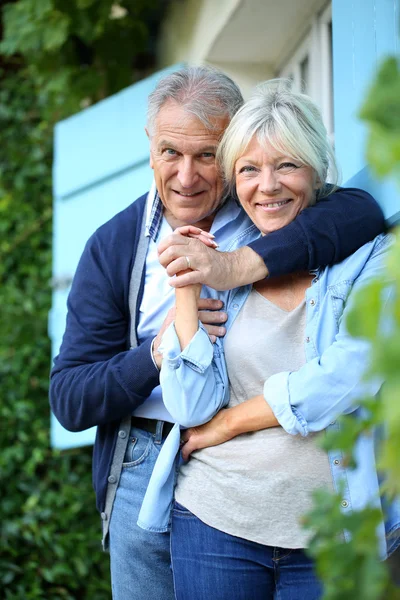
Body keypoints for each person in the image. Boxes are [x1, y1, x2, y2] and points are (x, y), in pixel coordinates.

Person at [49, 67, 387, 600]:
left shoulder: (267, 208)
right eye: (169, 153)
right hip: (148, 454)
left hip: (283, 454)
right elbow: (69, 398)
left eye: (207, 155)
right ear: (149, 145)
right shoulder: (114, 245)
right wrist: (159, 350)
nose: (186, 177)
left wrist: (231, 267)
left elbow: (359, 211)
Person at [139, 79, 399, 600]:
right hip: (215, 517)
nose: (267, 186)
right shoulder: (221, 254)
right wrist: (187, 287)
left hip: (332, 529)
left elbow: (351, 377)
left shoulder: (372, 257)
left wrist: (233, 420)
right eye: (249, 169)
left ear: (317, 169)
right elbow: (191, 407)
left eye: (286, 165)